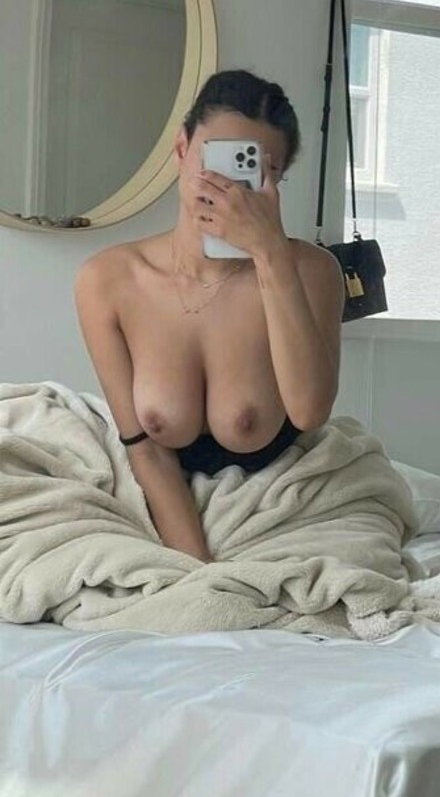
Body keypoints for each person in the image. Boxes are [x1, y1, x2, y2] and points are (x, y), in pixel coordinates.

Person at [74, 70, 346, 563]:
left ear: (276, 182)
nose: (227, 189)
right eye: (216, 160)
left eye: (253, 171)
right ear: (181, 149)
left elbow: (309, 412)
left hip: (283, 497)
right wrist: (198, 572)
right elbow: (145, 450)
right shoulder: (108, 280)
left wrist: (270, 255)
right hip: (168, 503)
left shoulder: (312, 272)